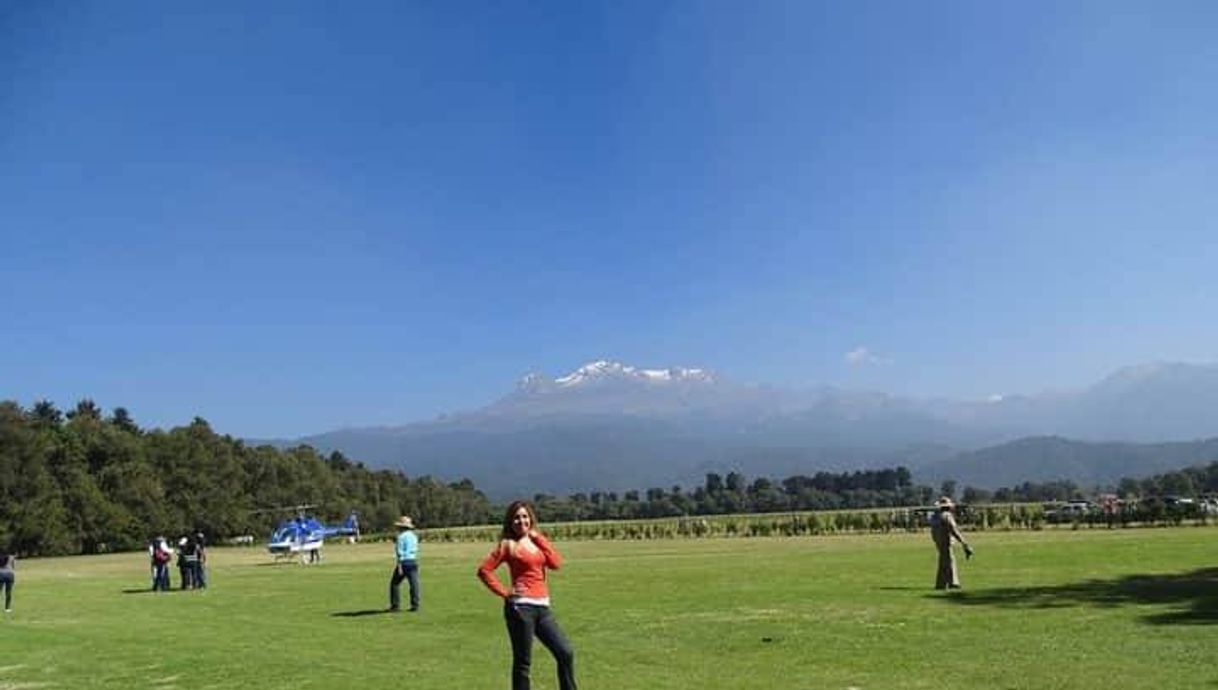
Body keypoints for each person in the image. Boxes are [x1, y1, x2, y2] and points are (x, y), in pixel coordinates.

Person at [477, 501, 577, 690]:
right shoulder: (507, 545)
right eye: (516, 517)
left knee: (565, 652)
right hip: (520, 608)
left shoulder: (536, 541)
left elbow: (555, 563)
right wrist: (506, 592)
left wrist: (538, 538)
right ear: (510, 521)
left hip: (542, 607)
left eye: (524, 516)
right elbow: (484, 571)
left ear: (530, 518)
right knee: (523, 663)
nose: (521, 520)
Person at [930, 496, 973, 590]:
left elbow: (932, 532)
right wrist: (964, 542)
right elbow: (954, 530)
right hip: (946, 541)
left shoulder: (935, 517)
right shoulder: (947, 516)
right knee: (950, 561)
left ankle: (941, 584)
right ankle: (953, 582)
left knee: (943, 562)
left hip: (938, 541)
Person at [388, 516, 419, 612]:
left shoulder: (401, 537)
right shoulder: (414, 536)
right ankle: (415, 605)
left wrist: (399, 564)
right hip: (413, 560)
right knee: (414, 584)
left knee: (395, 584)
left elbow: (399, 551)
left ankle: (395, 605)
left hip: (404, 562)